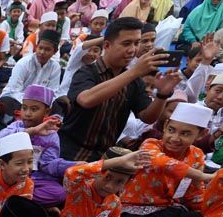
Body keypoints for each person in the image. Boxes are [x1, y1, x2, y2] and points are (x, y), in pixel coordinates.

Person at [59, 17, 181, 162]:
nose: (132, 50)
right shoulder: (87, 72)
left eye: (136, 43)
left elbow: (147, 117)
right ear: (107, 45)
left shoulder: (133, 80)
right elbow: (86, 100)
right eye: (126, 43)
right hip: (69, 153)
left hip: (105, 156)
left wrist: (162, 94)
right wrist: (134, 72)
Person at [119, 102, 214, 217]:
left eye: (185, 133)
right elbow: (160, 162)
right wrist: (200, 175)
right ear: (165, 126)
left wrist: (208, 210)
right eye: (171, 130)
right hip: (136, 210)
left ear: (201, 135)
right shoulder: (151, 144)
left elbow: (192, 195)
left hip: (170, 212)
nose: (174, 138)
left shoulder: (196, 155)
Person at [0, 29, 62, 104]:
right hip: (17, 100)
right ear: (36, 47)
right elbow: (14, 91)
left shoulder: (55, 67)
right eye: (40, 48)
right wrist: (32, 104)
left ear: (54, 52)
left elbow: (52, 93)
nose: (42, 52)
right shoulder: (24, 63)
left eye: (47, 49)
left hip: (40, 104)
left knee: (58, 106)